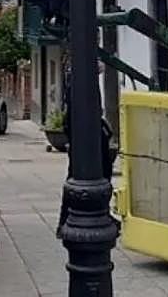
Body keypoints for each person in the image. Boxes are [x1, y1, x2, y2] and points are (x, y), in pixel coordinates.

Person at [56, 59, 115, 239]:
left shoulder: (79, 79)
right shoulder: (80, 81)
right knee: (82, 177)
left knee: (94, 174)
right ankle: (66, 219)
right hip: (85, 135)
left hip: (86, 133)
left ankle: (98, 212)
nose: (101, 66)